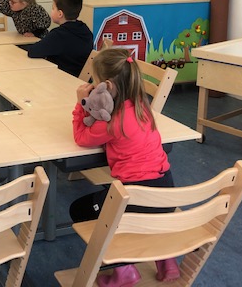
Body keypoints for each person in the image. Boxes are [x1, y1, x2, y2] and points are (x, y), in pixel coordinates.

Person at [70, 48, 180, 286]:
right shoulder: (142, 106)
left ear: (107, 87)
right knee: (140, 212)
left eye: (95, 83)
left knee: (80, 210)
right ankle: (166, 260)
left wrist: (81, 104)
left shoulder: (113, 122)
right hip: (165, 194)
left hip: (135, 198)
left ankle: (124, 270)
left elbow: (81, 137)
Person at [26, 0, 93, 76]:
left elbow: (33, 52)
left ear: (60, 14)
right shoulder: (85, 29)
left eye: (53, 8)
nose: (51, 10)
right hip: (78, 75)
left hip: (62, 76)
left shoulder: (58, 35)